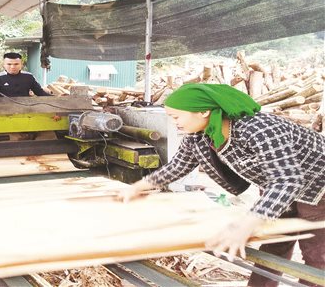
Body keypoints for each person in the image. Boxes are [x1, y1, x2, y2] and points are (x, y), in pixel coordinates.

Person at [119, 83, 324, 287]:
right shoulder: (199, 136)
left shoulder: (258, 128)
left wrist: (247, 223)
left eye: (176, 117)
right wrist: (140, 186)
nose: (174, 123)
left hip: (318, 185)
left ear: (204, 112)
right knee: (275, 241)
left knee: (316, 253)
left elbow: (288, 180)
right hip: (279, 184)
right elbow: (179, 166)